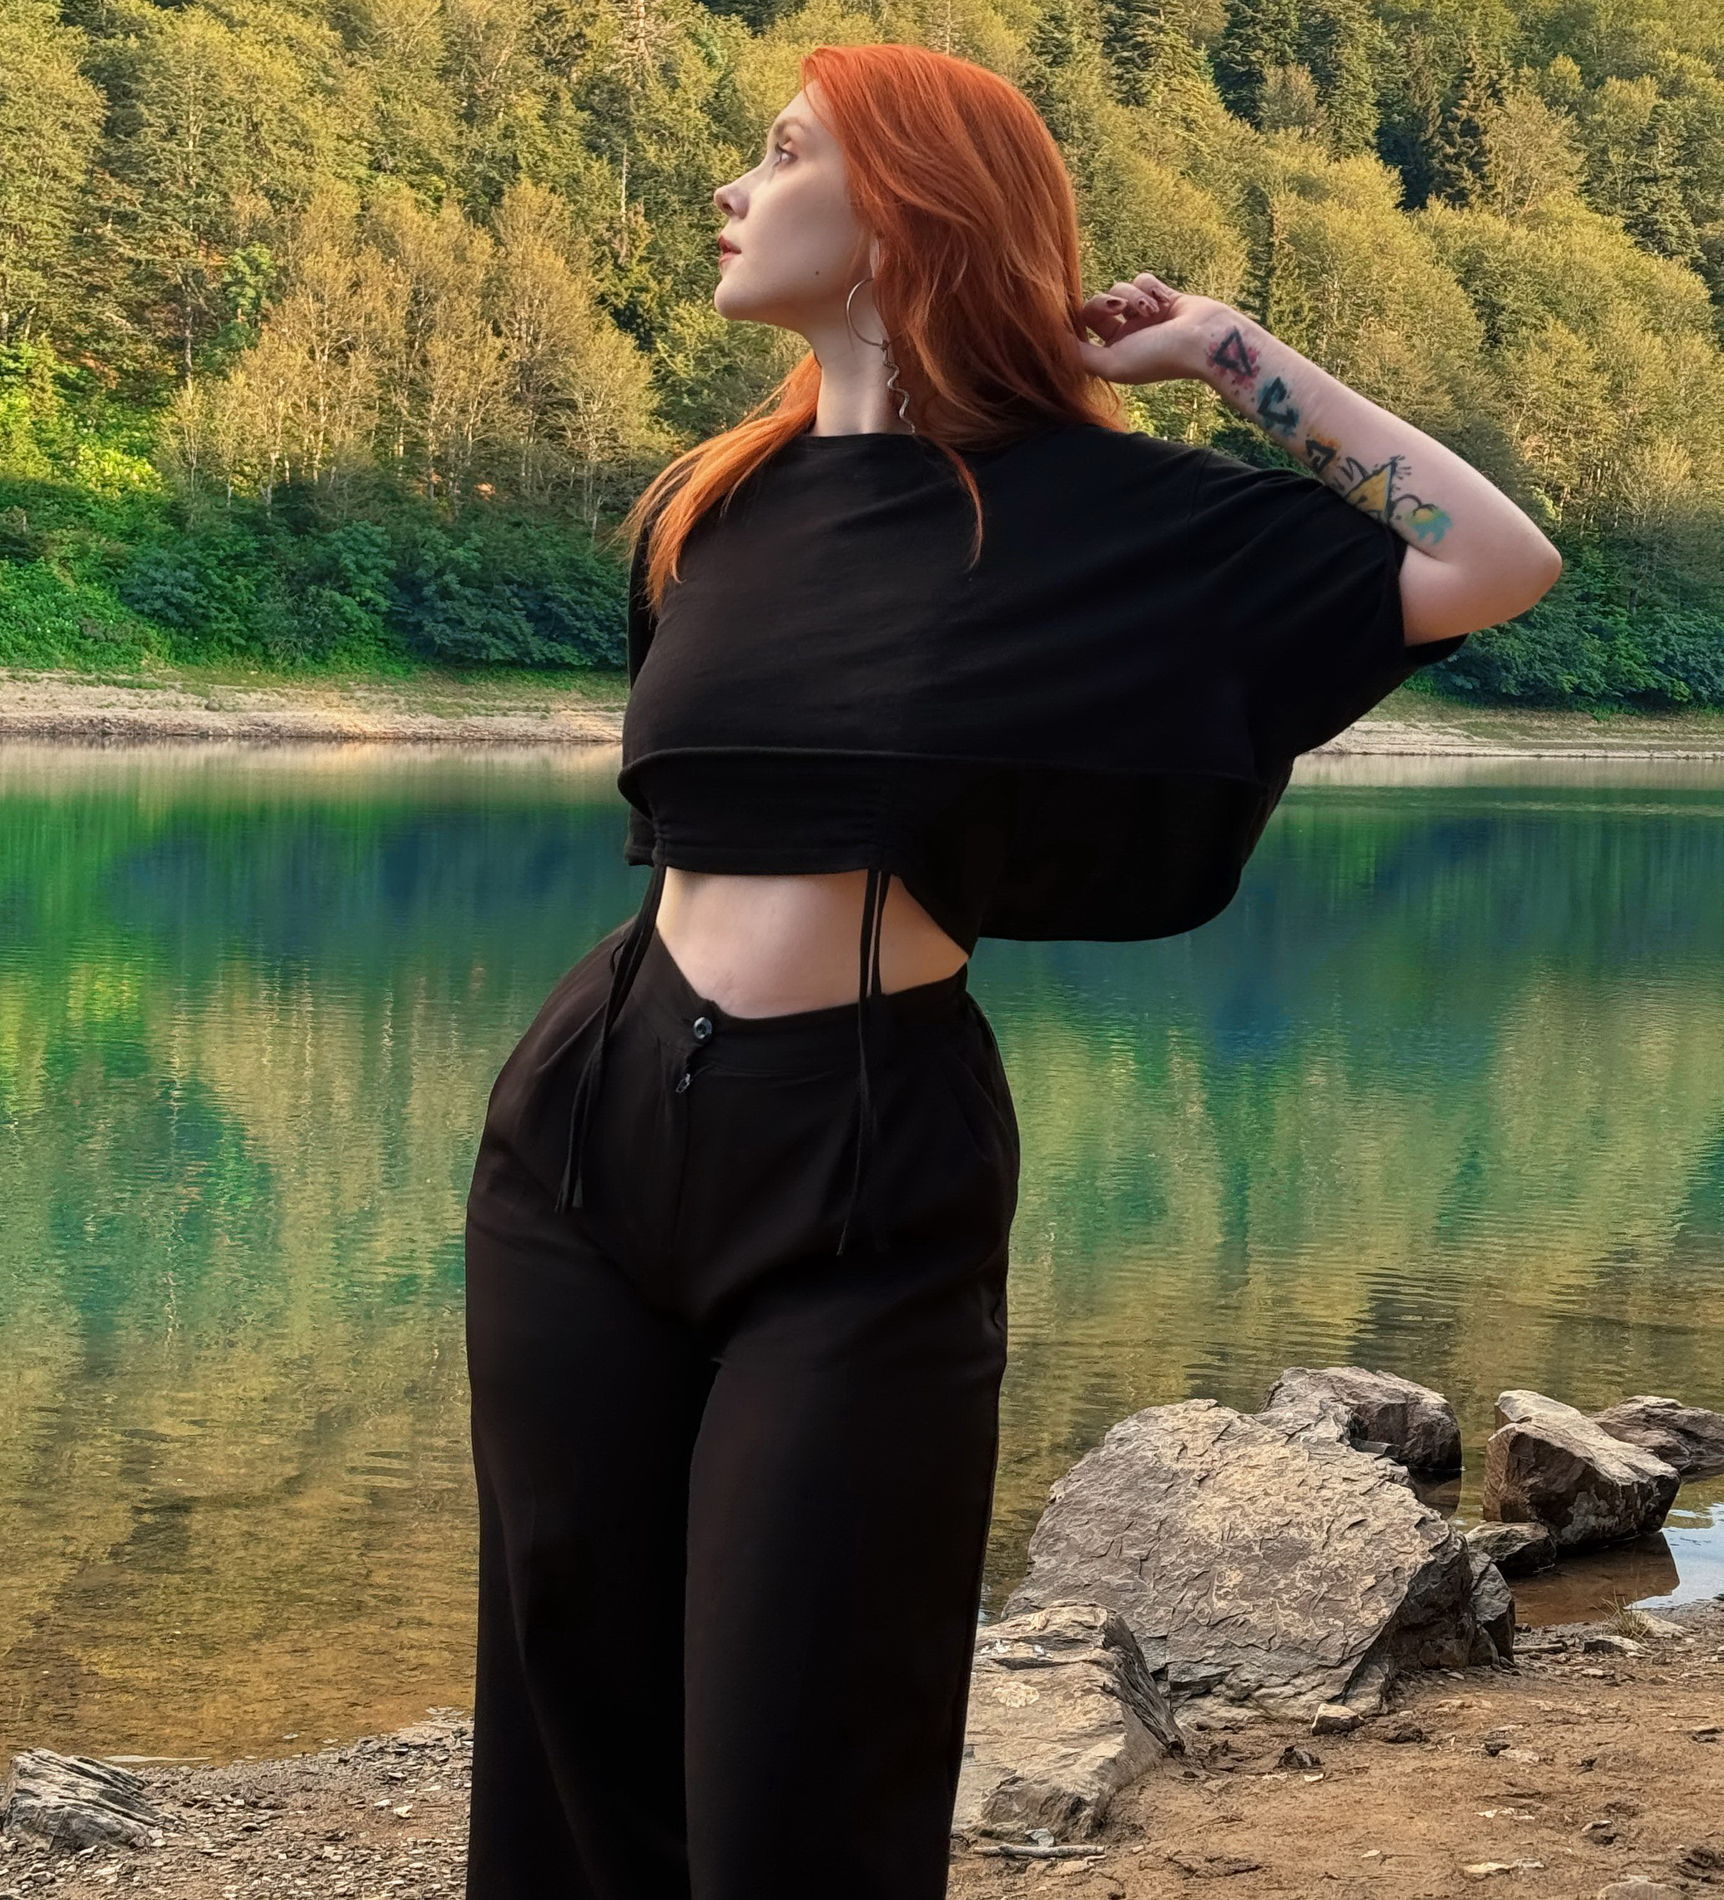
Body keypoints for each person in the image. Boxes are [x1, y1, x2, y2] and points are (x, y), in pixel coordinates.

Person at [460, 40, 1562, 1900]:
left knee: (807, 1731)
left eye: (783, 153)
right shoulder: (713, 505)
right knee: (571, 1690)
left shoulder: (1090, 515)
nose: (733, 187)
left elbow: (1492, 560)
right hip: (586, 1126)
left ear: (908, 210)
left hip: (862, 1151)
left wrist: (1227, 356)